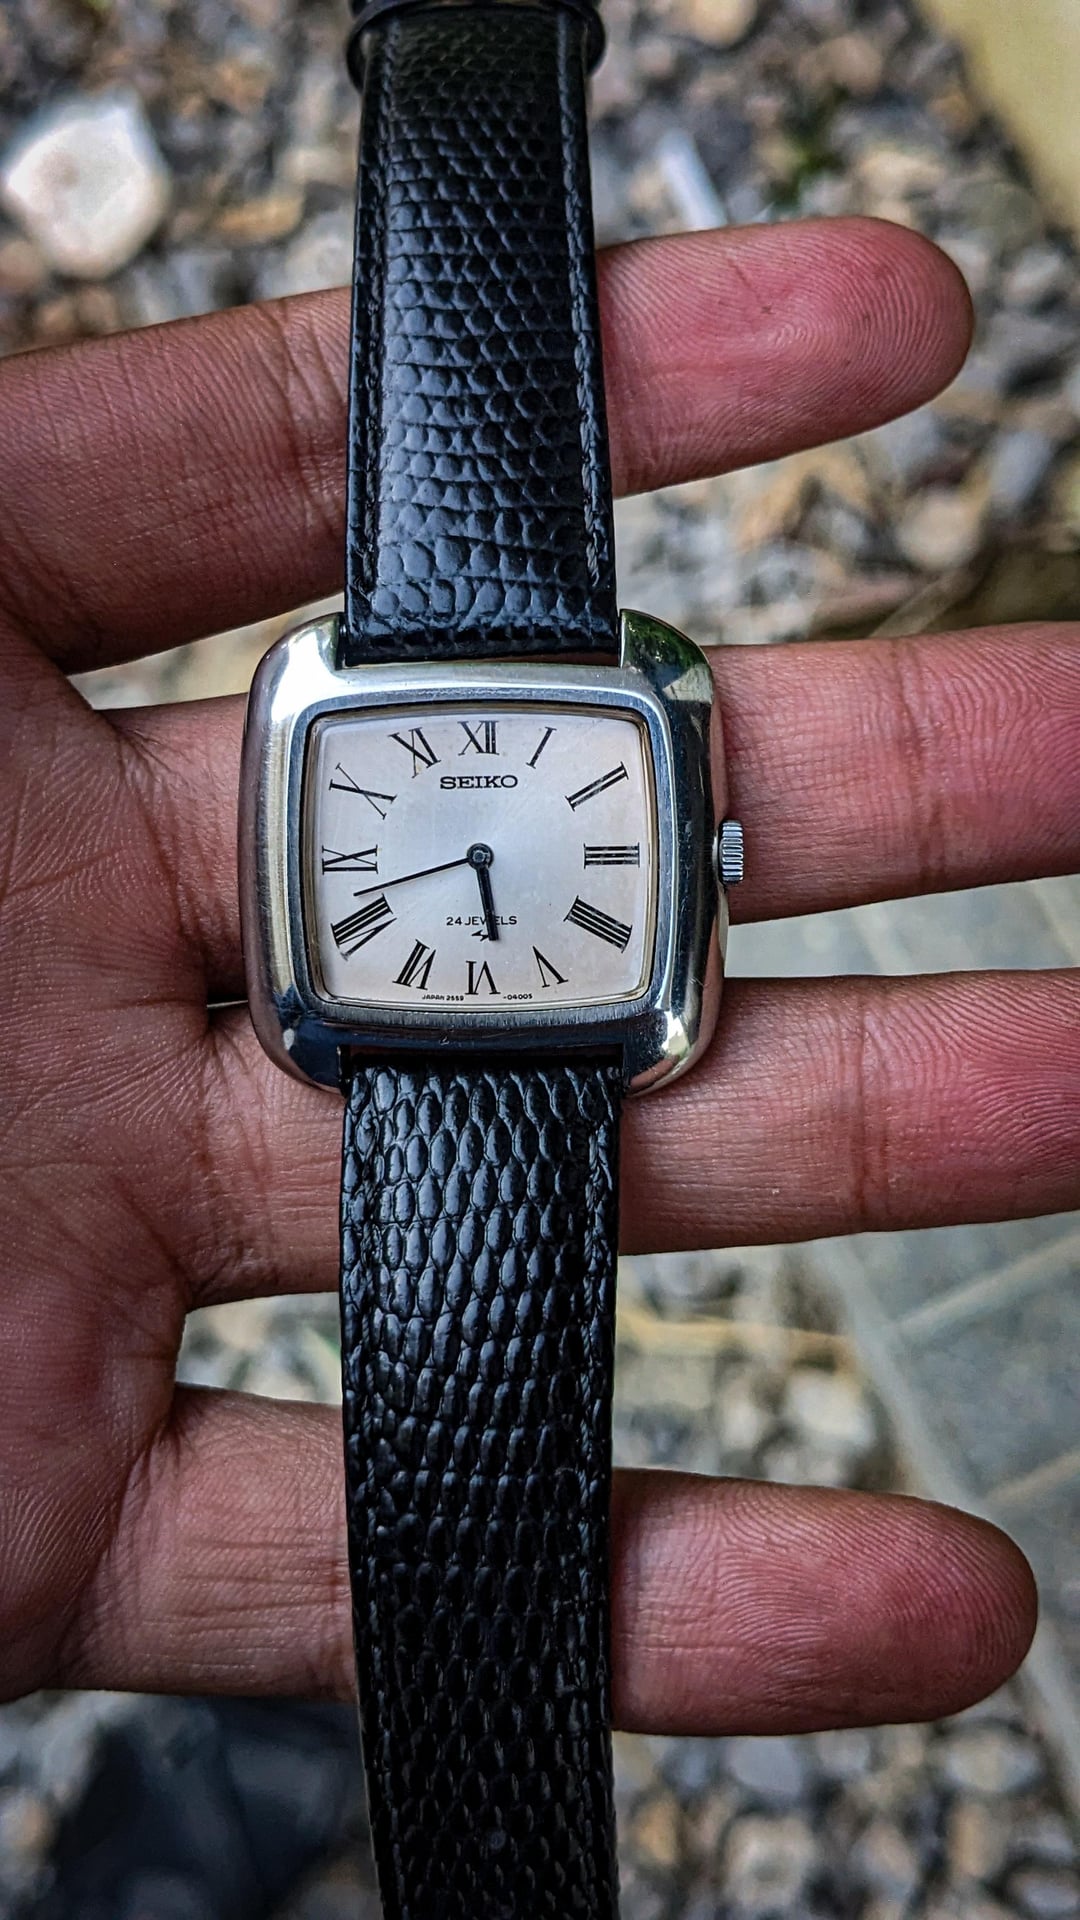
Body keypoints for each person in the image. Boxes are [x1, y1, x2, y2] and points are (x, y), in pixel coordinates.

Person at [0, 214, 1073, 1729]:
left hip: (510, 1025)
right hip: (456, 1032)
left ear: (712, 848)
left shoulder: (425, 726)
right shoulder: (346, 720)